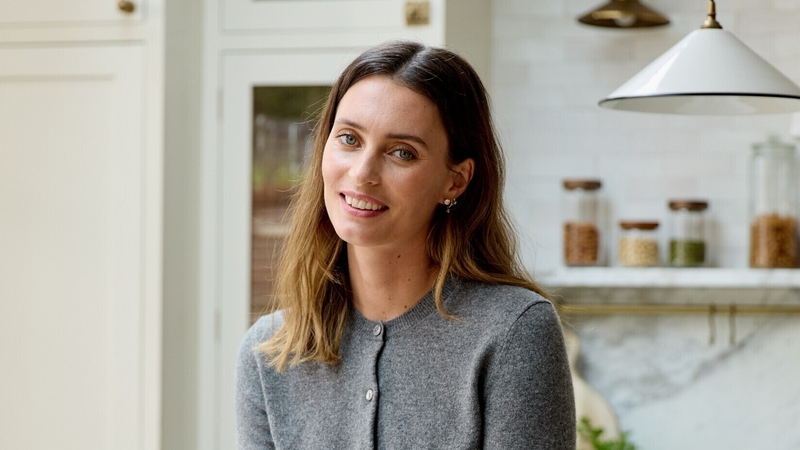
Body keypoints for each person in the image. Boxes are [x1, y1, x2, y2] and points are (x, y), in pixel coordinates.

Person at [236, 40, 576, 450]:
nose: (362, 173)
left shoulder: (514, 333)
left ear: (456, 181)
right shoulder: (268, 353)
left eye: (402, 152)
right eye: (349, 139)